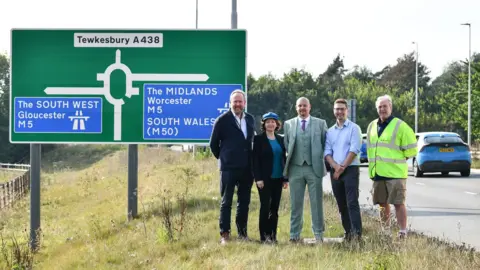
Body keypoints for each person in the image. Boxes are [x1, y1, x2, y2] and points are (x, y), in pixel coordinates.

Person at [366, 94, 418, 239]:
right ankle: (386, 231)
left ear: (391, 107)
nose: (382, 109)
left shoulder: (400, 125)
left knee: (398, 203)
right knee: (382, 204)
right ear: (377, 109)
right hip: (378, 173)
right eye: (380, 107)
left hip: (395, 174)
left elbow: (412, 149)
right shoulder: (372, 126)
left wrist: (400, 159)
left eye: (385, 106)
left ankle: (402, 231)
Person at [209, 89, 256, 245]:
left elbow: (250, 141)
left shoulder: (250, 119)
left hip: (246, 168)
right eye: (235, 101)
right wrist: (224, 158)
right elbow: (213, 144)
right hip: (228, 168)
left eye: (240, 101)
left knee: (244, 202)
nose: (237, 104)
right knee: (226, 202)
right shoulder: (222, 120)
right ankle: (225, 235)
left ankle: (242, 234)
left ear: (244, 103)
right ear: (230, 103)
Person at [283, 97, 328, 243]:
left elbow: (324, 143)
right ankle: (294, 235)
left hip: (314, 168)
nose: (302, 108)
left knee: (316, 203)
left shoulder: (320, 124)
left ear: (310, 107)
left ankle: (318, 234)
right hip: (295, 168)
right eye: (300, 106)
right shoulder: (288, 124)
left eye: (305, 106)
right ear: (296, 108)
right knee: (296, 203)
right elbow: (287, 144)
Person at [324, 98, 363, 242]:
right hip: (335, 171)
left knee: (352, 202)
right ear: (334, 111)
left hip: (350, 169)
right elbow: (327, 152)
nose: (339, 111)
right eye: (337, 109)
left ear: (347, 111)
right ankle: (348, 233)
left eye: (342, 109)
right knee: (341, 203)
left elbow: (354, 150)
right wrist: (335, 166)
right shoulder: (330, 131)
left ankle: (357, 235)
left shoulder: (354, 128)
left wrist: (341, 168)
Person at [253, 112, 289, 244]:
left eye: (273, 122)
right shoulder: (259, 139)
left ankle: (273, 236)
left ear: (277, 124)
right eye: (268, 122)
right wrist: (258, 178)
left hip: (278, 178)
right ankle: (264, 237)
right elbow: (255, 160)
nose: (270, 124)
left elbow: (283, 159)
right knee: (265, 207)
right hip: (264, 179)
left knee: (274, 208)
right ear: (264, 124)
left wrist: (285, 179)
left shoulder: (280, 139)